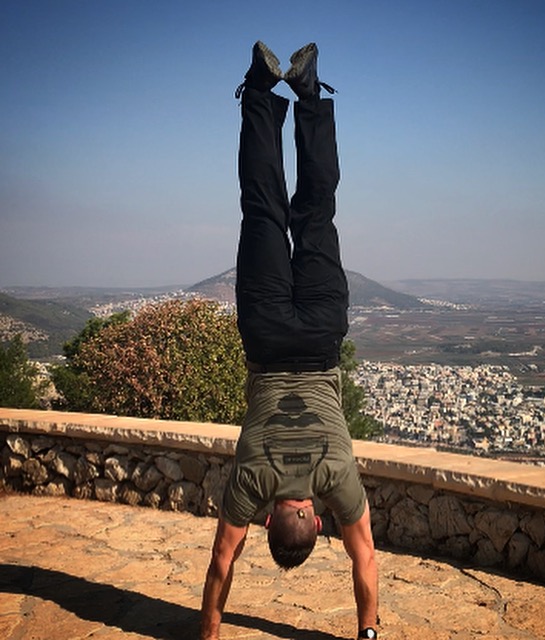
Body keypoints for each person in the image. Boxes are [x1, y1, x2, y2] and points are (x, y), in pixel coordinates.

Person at [199, 42, 378, 640]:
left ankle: (307, 93)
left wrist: (369, 633)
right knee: (263, 210)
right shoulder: (250, 483)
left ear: (316, 522)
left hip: (323, 331)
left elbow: (366, 561)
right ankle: (259, 91)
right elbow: (223, 560)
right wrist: (210, 633)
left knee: (318, 212)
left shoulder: (339, 485)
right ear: (272, 517)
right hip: (270, 333)